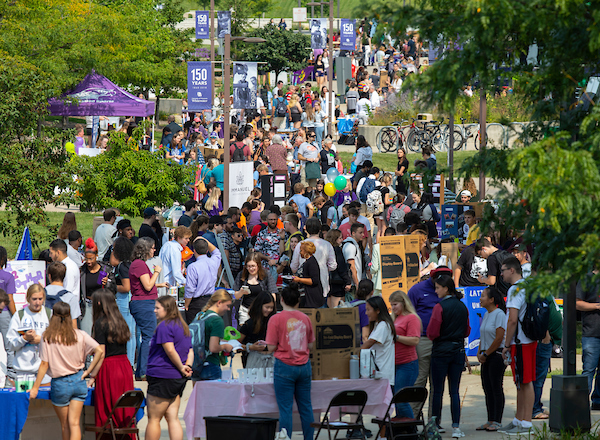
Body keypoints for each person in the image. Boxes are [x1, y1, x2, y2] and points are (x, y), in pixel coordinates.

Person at [29, 302, 105, 440]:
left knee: (65, 425)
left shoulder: (48, 337)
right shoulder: (79, 334)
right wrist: (89, 372)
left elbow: (44, 364)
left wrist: (35, 387)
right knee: (75, 424)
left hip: (60, 383)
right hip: (79, 379)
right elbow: (99, 350)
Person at [266, 284, 315, 440]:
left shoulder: (275, 319)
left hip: (284, 366)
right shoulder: (305, 318)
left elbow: (271, 347)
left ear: (281, 300)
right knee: (306, 407)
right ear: (298, 301)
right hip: (304, 365)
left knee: (285, 409)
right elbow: (311, 345)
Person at [427, 274, 470, 438]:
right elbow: (467, 330)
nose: (436, 291)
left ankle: (435, 425)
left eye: (437, 287)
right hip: (458, 350)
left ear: (446, 288)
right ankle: (456, 427)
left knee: (437, 391)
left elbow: (432, 332)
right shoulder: (462, 306)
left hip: (440, 351)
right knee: (455, 391)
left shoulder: (439, 307)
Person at [407, 266, 452, 419]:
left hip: (441, 342)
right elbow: (408, 315)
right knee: (419, 380)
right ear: (432, 278)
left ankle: (434, 421)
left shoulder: (448, 291)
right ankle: (411, 418)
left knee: (437, 384)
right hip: (423, 340)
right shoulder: (417, 290)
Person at [145, 296, 192, 440]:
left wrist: (181, 367)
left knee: (154, 418)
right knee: (172, 417)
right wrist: (187, 366)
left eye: (158, 308)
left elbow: (170, 350)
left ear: (167, 309)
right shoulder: (183, 326)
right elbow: (190, 350)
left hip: (162, 375)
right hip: (177, 378)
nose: (154, 311)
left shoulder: (165, 326)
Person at [91, 289, 135, 439]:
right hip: (124, 366)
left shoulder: (100, 323)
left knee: (107, 408)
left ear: (98, 303)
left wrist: (92, 375)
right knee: (124, 409)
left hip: (109, 368)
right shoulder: (120, 320)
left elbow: (101, 352)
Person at [499, 256, 536, 435]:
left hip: (520, 342)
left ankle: (526, 423)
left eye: (503, 270)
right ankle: (519, 419)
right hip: (527, 340)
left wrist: (506, 343)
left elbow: (512, 320)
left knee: (525, 382)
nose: (501, 274)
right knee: (521, 381)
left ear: (512, 270)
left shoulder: (515, 289)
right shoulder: (527, 286)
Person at [129, 237, 163, 380]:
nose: (154, 250)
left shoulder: (139, 264)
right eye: (153, 247)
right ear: (146, 249)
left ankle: (142, 371)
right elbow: (148, 286)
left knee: (148, 336)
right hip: (144, 303)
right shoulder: (139, 265)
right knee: (149, 337)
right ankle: (143, 371)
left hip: (145, 302)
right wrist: (156, 272)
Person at [476, 287, 507, 432]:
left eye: (483, 296)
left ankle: (498, 421)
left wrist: (487, 353)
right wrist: (479, 351)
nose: (480, 299)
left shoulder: (499, 314)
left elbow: (499, 337)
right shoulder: (487, 314)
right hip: (486, 356)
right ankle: (490, 419)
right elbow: (483, 335)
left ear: (491, 299)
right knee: (487, 388)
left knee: (496, 388)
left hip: (496, 356)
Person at [7, 284, 52, 385]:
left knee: (42, 400)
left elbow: (58, 341)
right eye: (34, 299)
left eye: (40, 299)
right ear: (28, 299)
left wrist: (41, 339)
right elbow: (10, 344)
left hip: (45, 370)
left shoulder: (49, 314)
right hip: (23, 372)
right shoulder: (19, 315)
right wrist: (24, 338)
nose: (37, 302)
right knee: (24, 399)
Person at [389, 290, 421, 418]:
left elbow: (415, 340)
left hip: (407, 364)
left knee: (401, 399)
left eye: (395, 304)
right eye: (391, 305)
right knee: (396, 400)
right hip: (395, 364)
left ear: (403, 303)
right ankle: (403, 429)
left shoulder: (411, 318)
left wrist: (396, 337)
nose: (393, 307)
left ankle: (411, 427)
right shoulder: (395, 318)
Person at [191, 289, 234, 381]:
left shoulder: (200, 315)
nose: (228, 309)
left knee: (199, 394)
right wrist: (225, 346)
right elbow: (213, 348)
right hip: (211, 365)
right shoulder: (217, 320)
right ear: (219, 303)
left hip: (197, 363)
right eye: (227, 305)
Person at [291, 217, 337, 299]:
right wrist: (323, 268)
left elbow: (294, 267)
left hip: (304, 286)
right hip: (322, 285)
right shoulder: (327, 244)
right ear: (320, 229)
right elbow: (333, 266)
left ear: (306, 229)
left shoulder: (300, 245)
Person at [80, 239, 115, 336]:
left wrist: (108, 283)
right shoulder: (82, 271)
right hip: (87, 305)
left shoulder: (105, 269)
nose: (88, 262)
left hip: (102, 305)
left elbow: (114, 290)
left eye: (91, 258)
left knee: (101, 334)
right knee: (86, 334)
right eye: (86, 259)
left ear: (96, 256)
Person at [576, 269, 600, 410]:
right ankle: (581, 403)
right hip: (591, 332)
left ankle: (597, 401)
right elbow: (577, 303)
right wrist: (597, 306)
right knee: (589, 370)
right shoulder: (587, 278)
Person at [361, 296, 396, 388]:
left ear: (377, 310)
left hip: (382, 374)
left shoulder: (383, 325)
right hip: (379, 373)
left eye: (368, 310)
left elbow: (369, 343)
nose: (366, 313)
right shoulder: (378, 325)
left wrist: (353, 354)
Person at [185, 236, 222, 323]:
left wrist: (186, 305)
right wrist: (205, 240)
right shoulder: (214, 262)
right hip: (210, 301)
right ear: (207, 251)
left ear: (194, 251)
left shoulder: (192, 267)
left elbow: (190, 289)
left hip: (196, 303)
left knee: (195, 331)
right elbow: (217, 252)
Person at [234, 253, 278, 325]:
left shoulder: (266, 275)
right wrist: (241, 292)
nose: (251, 269)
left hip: (261, 311)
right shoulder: (241, 275)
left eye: (253, 266)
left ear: (258, 265)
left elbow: (272, 293)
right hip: (245, 310)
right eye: (248, 266)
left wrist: (270, 308)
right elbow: (236, 296)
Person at [239, 292, 275, 369]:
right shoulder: (249, 324)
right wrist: (251, 347)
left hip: (271, 360)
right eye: (267, 307)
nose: (269, 310)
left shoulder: (274, 322)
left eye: (271, 307)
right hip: (254, 361)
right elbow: (235, 344)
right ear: (259, 306)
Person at [324, 229, 351, 308]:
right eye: (340, 238)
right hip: (337, 283)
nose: (342, 240)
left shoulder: (325, 249)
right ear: (335, 239)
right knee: (337, 309)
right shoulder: (337, 250)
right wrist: (347, 281)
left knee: (329, 309)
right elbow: (341, 268)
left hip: (327, 281)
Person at [292, 241, 323, 308]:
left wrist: (299, 279)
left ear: (306, 251)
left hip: (311, 298)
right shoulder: (307, 262)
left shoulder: (311, 262)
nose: (300, 252)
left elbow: (314, 280)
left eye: (301, 250)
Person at [343, 223, 366, 289]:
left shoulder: (355, 245)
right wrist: (357, 284)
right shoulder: (350, 246)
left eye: (363, 232)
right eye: (360, 233)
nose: (363, 235)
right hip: (352, 285)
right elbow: (352, 266)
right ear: (353, 233)